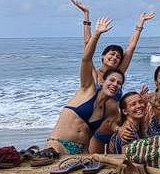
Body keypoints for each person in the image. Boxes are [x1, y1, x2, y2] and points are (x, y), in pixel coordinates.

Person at [47, 17, 123, 155]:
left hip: (83, 150)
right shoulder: (88, 88)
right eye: (111, 81)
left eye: (119, 83)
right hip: (60, 144)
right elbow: (86, 57)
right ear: (103, 81)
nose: (115, 84)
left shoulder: (105, 108)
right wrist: (96, 32)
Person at [70, 0, 155, 87]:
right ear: (103, 56)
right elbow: (87, 45)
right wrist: (86, 14)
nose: (114, 58)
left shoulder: (118, 75)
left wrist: (140, 23)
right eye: (112, 54)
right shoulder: (93, 74)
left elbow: (131, 48)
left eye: (118, 57)